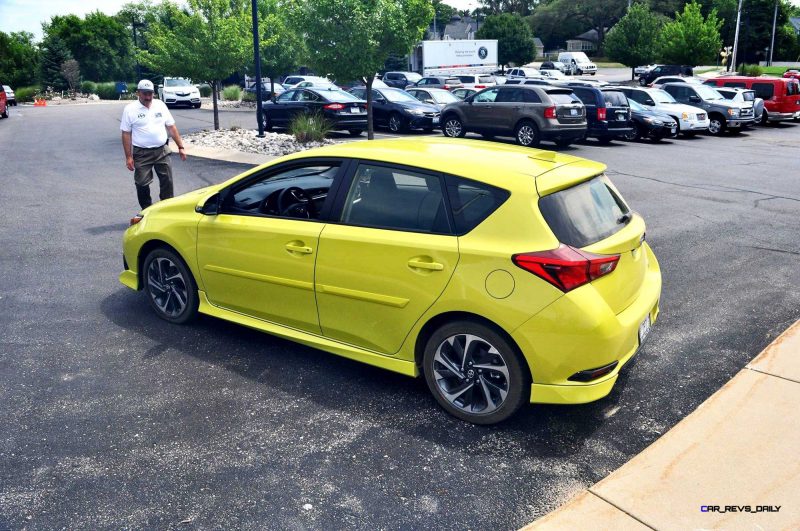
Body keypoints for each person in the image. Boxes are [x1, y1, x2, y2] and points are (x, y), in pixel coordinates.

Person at [120, 79, 187, 209]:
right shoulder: (130, 109)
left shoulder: (160, 105)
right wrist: (128, 157)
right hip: (141, 153)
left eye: (150, 93)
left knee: (167, 181)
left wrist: (181, 147)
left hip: (162, 150)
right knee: (141, 183)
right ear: (138, 93)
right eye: (145, 93)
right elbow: (126, 134)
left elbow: (171, 127)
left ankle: (166, 208)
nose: (148, 97)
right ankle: (146, 210)